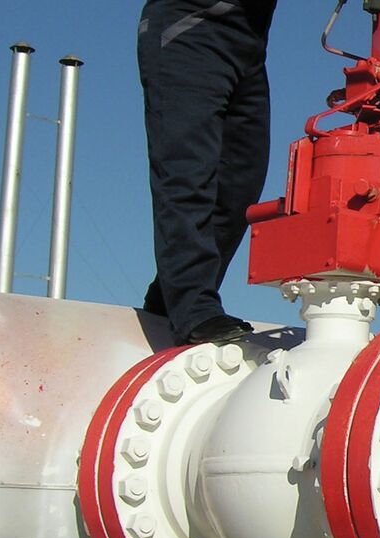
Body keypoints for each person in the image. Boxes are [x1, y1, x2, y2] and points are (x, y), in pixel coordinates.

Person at [137, 0, 277, 343]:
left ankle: (168, 298)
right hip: (189, 25)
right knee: (187, 172)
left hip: (249, 44)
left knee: (242, 180)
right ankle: (192, 307)